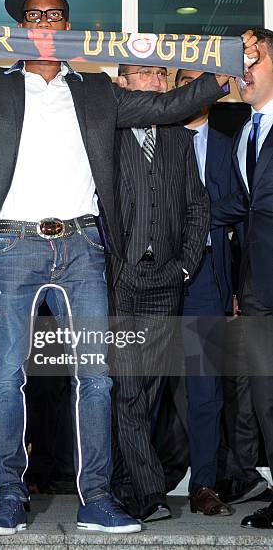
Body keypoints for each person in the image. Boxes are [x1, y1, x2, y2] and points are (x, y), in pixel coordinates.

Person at [0, 0, 258, 536]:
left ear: (69, 24)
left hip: (82, 249)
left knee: (96, 378)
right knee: (4, 378)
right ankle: (9, 498)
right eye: (36, 15)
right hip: (10, 247)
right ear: (21, 27)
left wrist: (227, 70)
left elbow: (168, 103)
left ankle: (96, 498)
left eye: (58, 14)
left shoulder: (97, 91)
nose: (48, 22)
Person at [108, 63, 209, 522]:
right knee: (129, 387)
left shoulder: (178, 141)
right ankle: (149, 493)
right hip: (118, 280)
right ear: (122, 84)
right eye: (144, 75)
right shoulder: (104, 137)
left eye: (161, 76)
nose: (157, 82)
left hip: (166, 281)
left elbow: (196, 206)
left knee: (150, 390)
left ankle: (124, 483)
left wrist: (186, 265)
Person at [210, 27, 273, 530]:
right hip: (255, 287)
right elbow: (238, 208)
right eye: (238, 63)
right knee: (263, 393)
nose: (241, 72)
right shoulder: (240, 137)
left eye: (251, 60)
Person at [172, 68, 237, 516]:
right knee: (140, 383)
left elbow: (247, 201)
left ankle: (205, 484)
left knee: (205, 388)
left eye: (205, 81)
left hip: (208, 277)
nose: (198, 88)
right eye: (188, 81)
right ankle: (136, 479)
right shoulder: (151, 135)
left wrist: (199, 213)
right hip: (152, 274)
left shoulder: (232, 141)